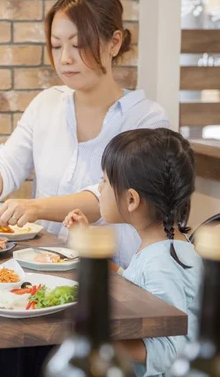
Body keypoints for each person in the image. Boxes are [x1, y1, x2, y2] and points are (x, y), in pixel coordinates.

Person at [0, 0, 169, 270]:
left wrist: (36, 207)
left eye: (78, 45)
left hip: (114, 275)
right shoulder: (46, 105)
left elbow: (112, 196)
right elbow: (3, 173)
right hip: (46, 267)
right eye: (56, 45)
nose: (64, 58)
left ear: (114, 42)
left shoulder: (147, 120)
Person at [64, 128, 203, 376]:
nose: (100, 187)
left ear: (131, 200)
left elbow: (171, 350)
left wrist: (102, 339)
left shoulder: (163, 264)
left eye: (104, 181)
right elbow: (138, 286)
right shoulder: (163, 248)